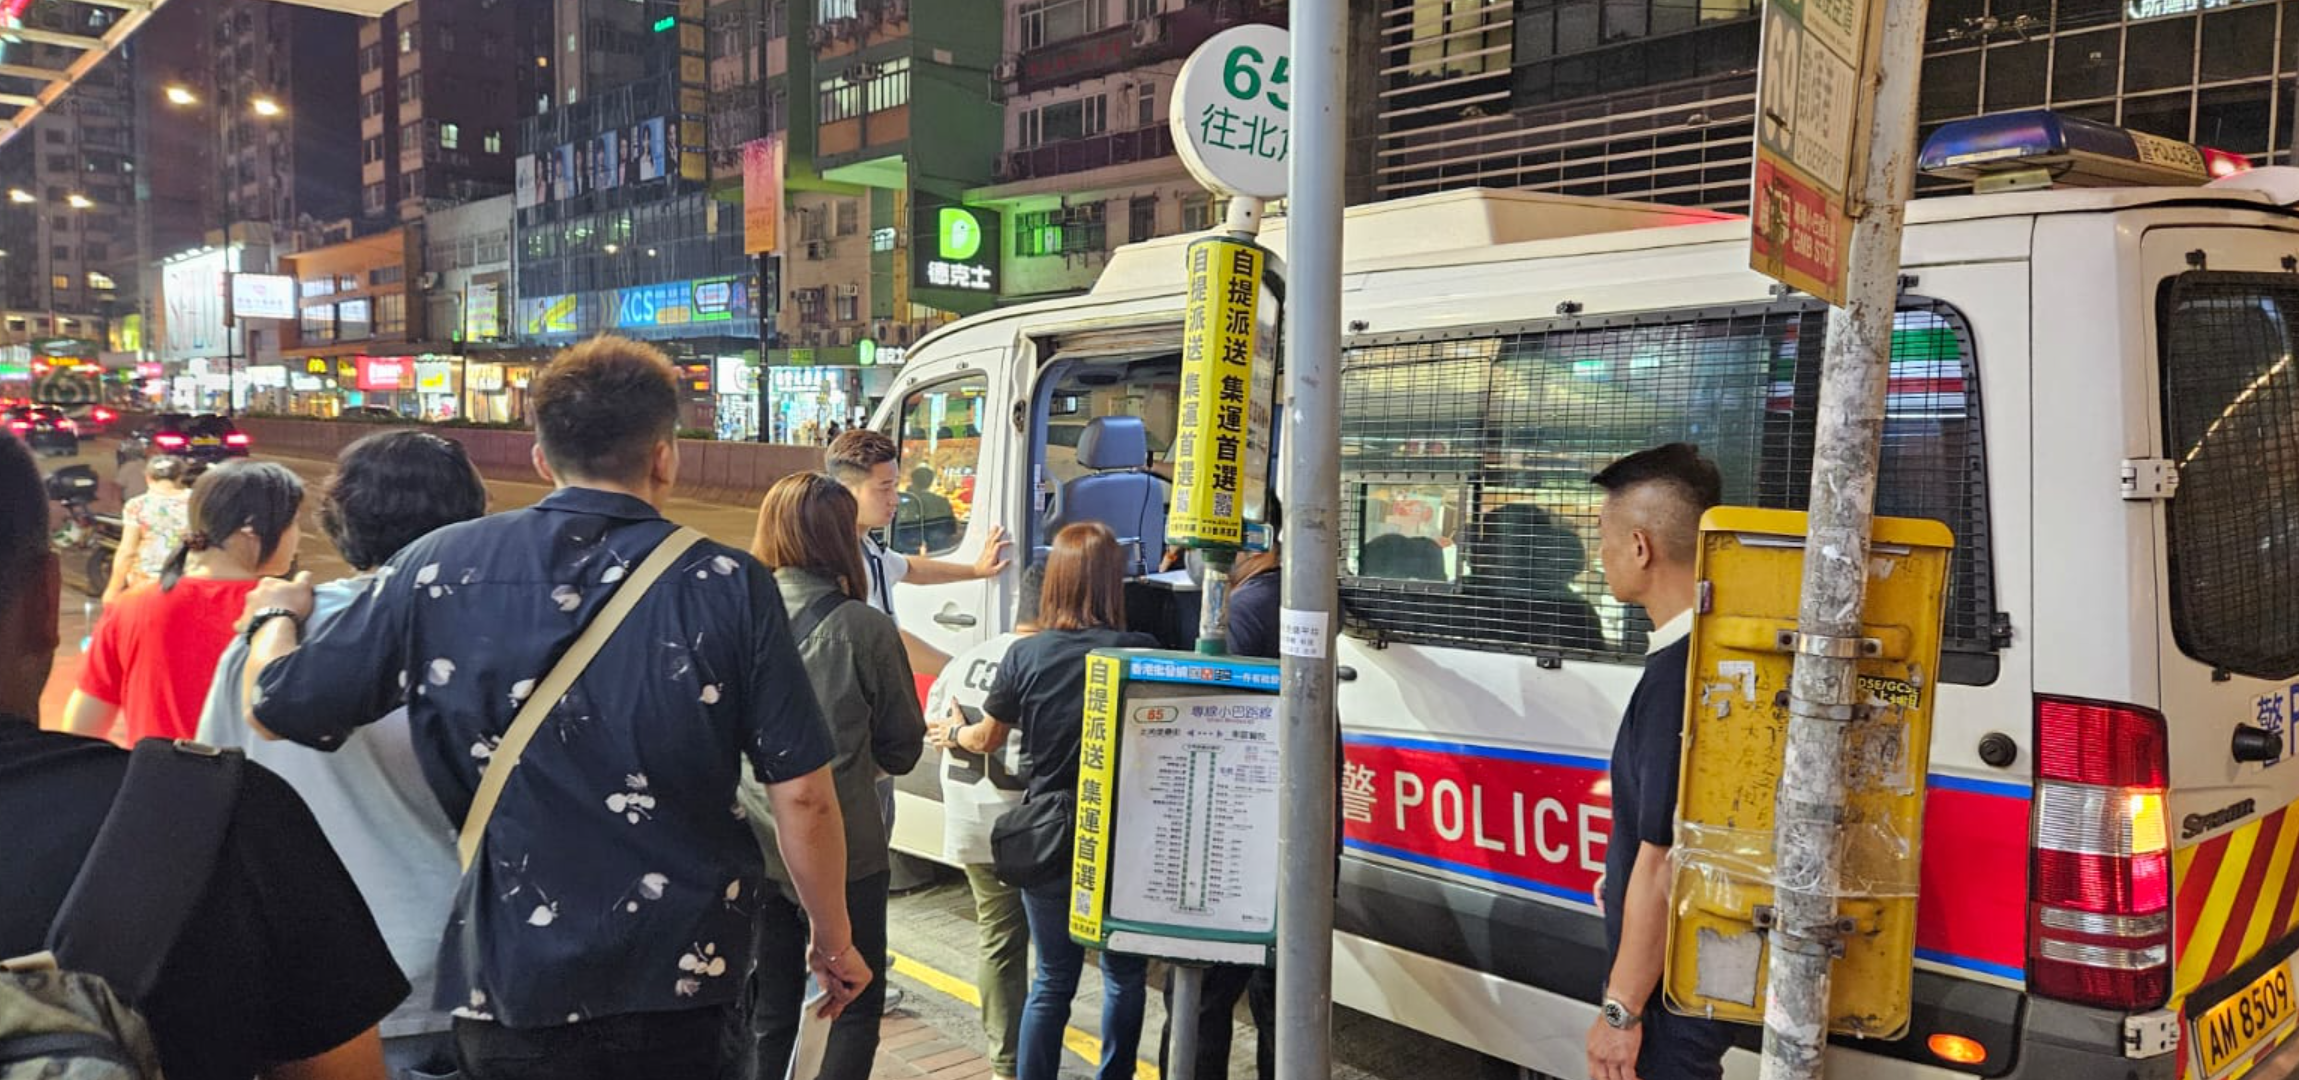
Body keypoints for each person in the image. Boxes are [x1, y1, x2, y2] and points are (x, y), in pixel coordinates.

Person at [242, 335, 869, 1080]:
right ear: (665, 456)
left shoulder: (437, 567)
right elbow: (803, 795)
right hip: (686, 974)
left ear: (541, 458)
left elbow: (276, 706)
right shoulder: (729, 582)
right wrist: (832, 939)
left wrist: (272, 618)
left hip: (515, 977)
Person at [0, 423, 409, 1080]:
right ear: (47, 600)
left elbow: (87, 722)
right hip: (174, 855)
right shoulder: (253, 815)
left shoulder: (135, 609)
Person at [196, 431, 489, 1079]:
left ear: (340, 522)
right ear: (472, 523)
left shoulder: (265, 640)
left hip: (318, 987)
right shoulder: (499, 636)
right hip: (471, 965)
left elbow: (213, 802)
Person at [949, 523, 1158, 1080]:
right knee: (1124, 975)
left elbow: (987, 737)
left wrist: (953, 733)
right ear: (1112, 581)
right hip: (1122, 833)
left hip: (1049, 831)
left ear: (1057, 581)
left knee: (1052, 978)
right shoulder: (1142, 652)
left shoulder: (1027, 655)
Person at [738, 472, 926, 1080]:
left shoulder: (736, 618)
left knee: (767, 1008)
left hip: (756, 846)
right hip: (850, 852)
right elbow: (903, 749)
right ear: (843, 539)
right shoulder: (866, 629)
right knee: (850, 1000)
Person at [1584, 443, 1734, 1080]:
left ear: (1640, 547)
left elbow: (1666, 859)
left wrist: (1620, 1014)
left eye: (1604, 538)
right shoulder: (1714, 653)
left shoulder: (1679, 676)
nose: (1600, 555)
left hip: (1668, 992)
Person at [63, 459, 303, 745]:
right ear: (251, 528)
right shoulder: (291, 613)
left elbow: (81, 730)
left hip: (157, 774)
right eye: (293, 523)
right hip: (261, 776)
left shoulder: (131, 606)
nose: (297, 536)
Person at [921, 566, 1047, 1080]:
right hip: (1030, 826)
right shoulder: (1044, 663)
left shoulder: (967, 658)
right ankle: (1031, 1056)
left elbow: (935, 729)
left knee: (999, 941)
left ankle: (1005, 1064)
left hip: (971, 820)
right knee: (1052, 953)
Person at [824, 428, 1011, 668]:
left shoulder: (867, 544)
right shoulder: (839, 556)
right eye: (884, 488)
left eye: (895, 486)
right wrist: (959, 670)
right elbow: (884, 638)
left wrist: (976, 570)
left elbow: (909, 568)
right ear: (845, 491)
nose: (894, 499)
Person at [102, 453, 191, 603]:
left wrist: (113, 589)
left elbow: (127, 551)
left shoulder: (137, 505)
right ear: (180, 477)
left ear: (148, 477)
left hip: (146, 583)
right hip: (188, 579)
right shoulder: (196, 502)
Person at [893, 465, 959, 556]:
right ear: (931, 482)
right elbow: (951, 528)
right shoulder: (941, 501)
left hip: (907, 546)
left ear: (912, 480)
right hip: (938, 549)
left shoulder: (903, 500)